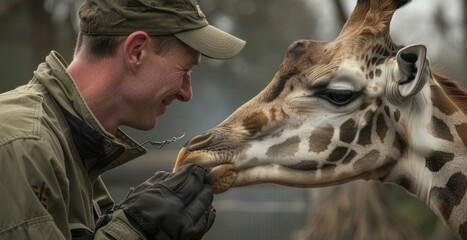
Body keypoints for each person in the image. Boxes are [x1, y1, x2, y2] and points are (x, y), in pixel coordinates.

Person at [0, 0, 245, 239]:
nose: (186, 93)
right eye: (185, 70)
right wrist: (138, 229)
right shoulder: (24, 146)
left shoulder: (73, 150)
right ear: (136, 51)